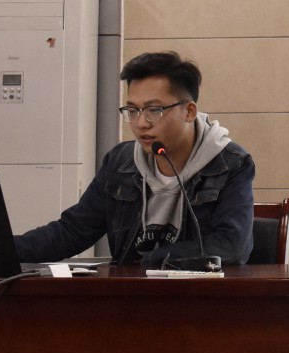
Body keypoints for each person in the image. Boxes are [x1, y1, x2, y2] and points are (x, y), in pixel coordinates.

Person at [14, 51, 255, 268]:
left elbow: (231, 246)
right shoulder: (120, 162)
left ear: (189, 111)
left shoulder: (231, 163)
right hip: (129, 295)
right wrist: (3, 250)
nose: (141, 123)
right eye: (133, 110)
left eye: (154, 110)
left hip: (196, 297)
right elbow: (72, 232)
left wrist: (151, 261)